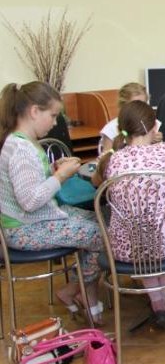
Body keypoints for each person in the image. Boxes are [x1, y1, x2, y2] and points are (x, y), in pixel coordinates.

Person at [92, 100, 165, 329]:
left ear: (122, 129)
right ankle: (161, 303)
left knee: (142, 232)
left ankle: (158, 305)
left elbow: (95, 182)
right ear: (154, 127)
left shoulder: (111, 159)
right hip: (163, 246)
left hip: (122, 249)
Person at [0, 81, 105, 324]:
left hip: (31, 222)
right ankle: (76, 290)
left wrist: (53, 170)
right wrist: (60, 177)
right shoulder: (21, 149)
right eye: (53, 115)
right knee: (101, 234)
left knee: (100, 220)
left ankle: (84, 292)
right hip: (24, 229)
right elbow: (30, 201)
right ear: (34, 111)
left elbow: (30, 182)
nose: (56, 123)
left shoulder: (20, 141)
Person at [98, 82, 161, 154]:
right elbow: (106, 156)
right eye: (135, 104)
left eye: (143, 104)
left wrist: (157, 140)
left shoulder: (151, 123)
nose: (139, 108)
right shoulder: (110, 129)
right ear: (123, 105)